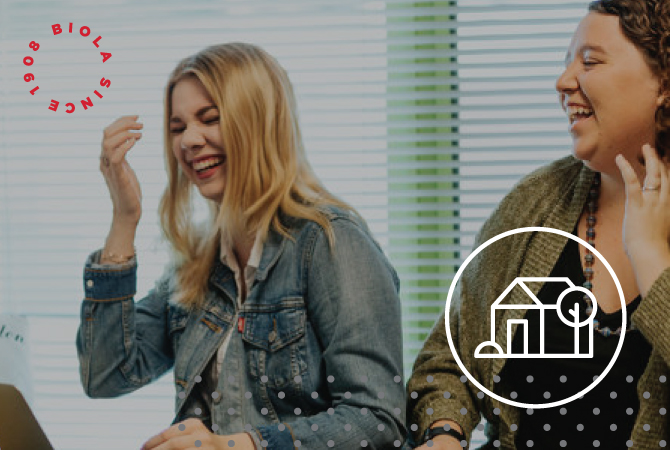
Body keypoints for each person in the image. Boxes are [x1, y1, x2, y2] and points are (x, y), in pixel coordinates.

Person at [75, 42, 407, 450]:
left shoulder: (331, 243)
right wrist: (124, 218)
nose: (188, 141)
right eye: (177, 128)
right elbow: (105, 375)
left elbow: (377, 421)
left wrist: (237, 446)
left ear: (259, 123)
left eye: (209, 119)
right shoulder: (197, 261)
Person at [407, 0, 670, 448]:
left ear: (664, 83)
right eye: (566, 63)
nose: (563, 82)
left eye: (589, 61)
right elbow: (446, 364)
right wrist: (445, 434)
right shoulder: (537, 201)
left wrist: (649, 255)